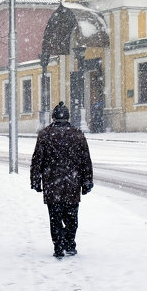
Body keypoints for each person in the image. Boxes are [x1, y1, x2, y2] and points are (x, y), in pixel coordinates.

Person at [30, 101, 93, 258]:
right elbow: (85, 160)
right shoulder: (77, 134)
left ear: (53, 118)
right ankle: (70, 244)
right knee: (72, 217)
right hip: (72, 183)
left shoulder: (45, 135)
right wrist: (87, 181)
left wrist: (36, 180)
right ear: (68, 117)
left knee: (55, 217)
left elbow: (37, 159)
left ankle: (59, 246)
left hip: (52, 184)